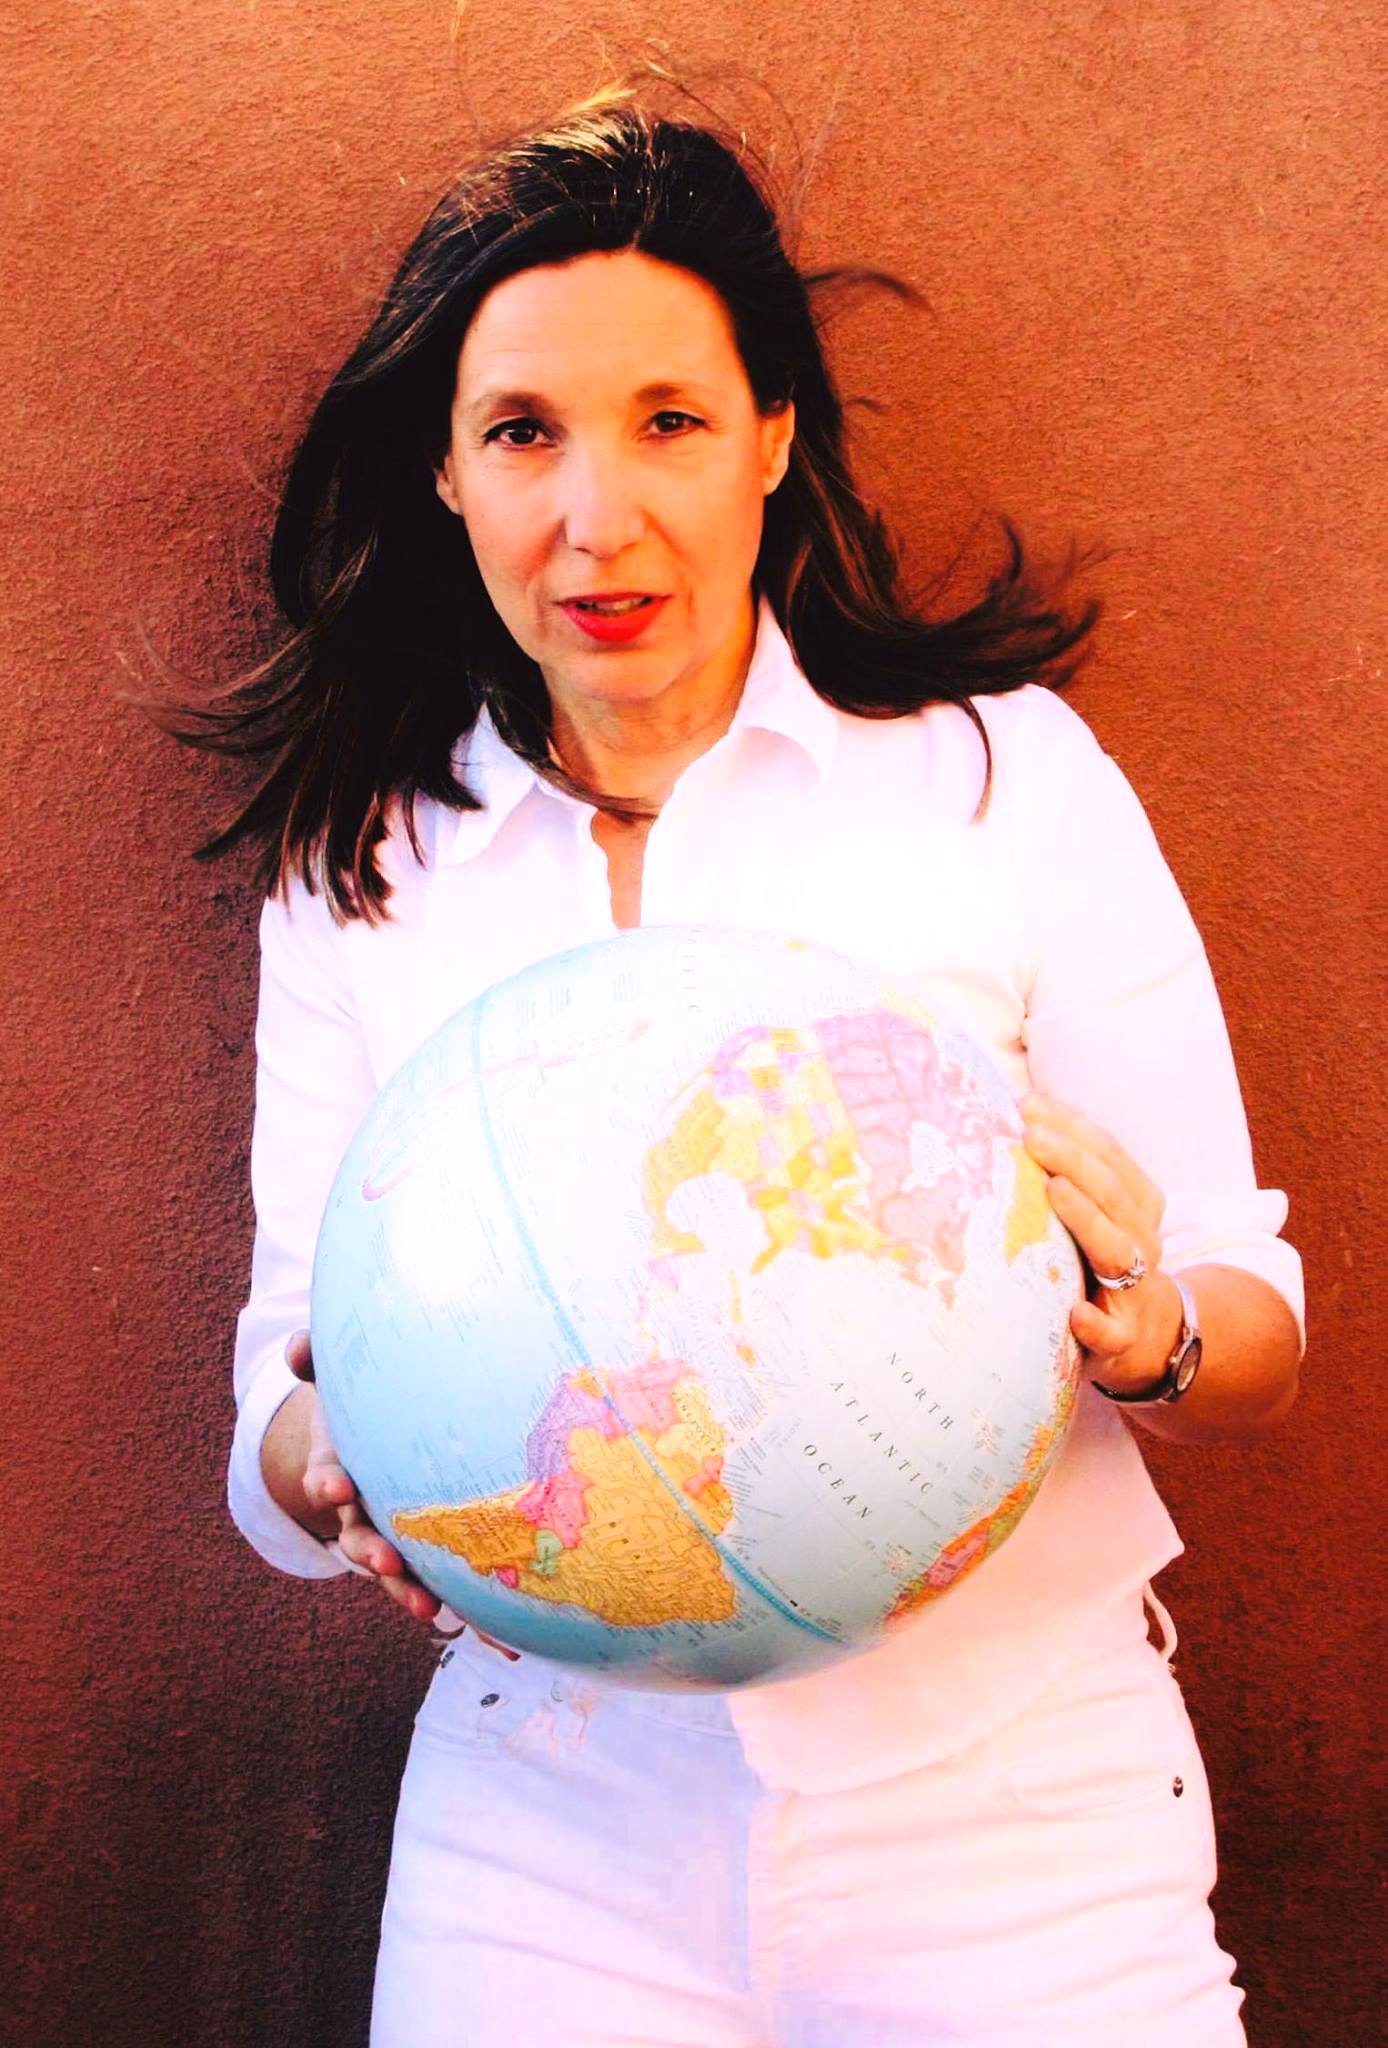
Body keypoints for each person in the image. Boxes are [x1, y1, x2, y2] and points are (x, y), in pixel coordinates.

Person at [203, 88, 1303, 2046]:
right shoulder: (366, 868)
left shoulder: (998, 780)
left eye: (670, 422)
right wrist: (336, 1461)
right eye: (521, 432)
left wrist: (1152, 1334)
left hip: (1016, 1816)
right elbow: (279, 1403)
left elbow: (1255, 1317)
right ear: (445, 471)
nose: (596, 517)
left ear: (774, 437)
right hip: (548, 1825)